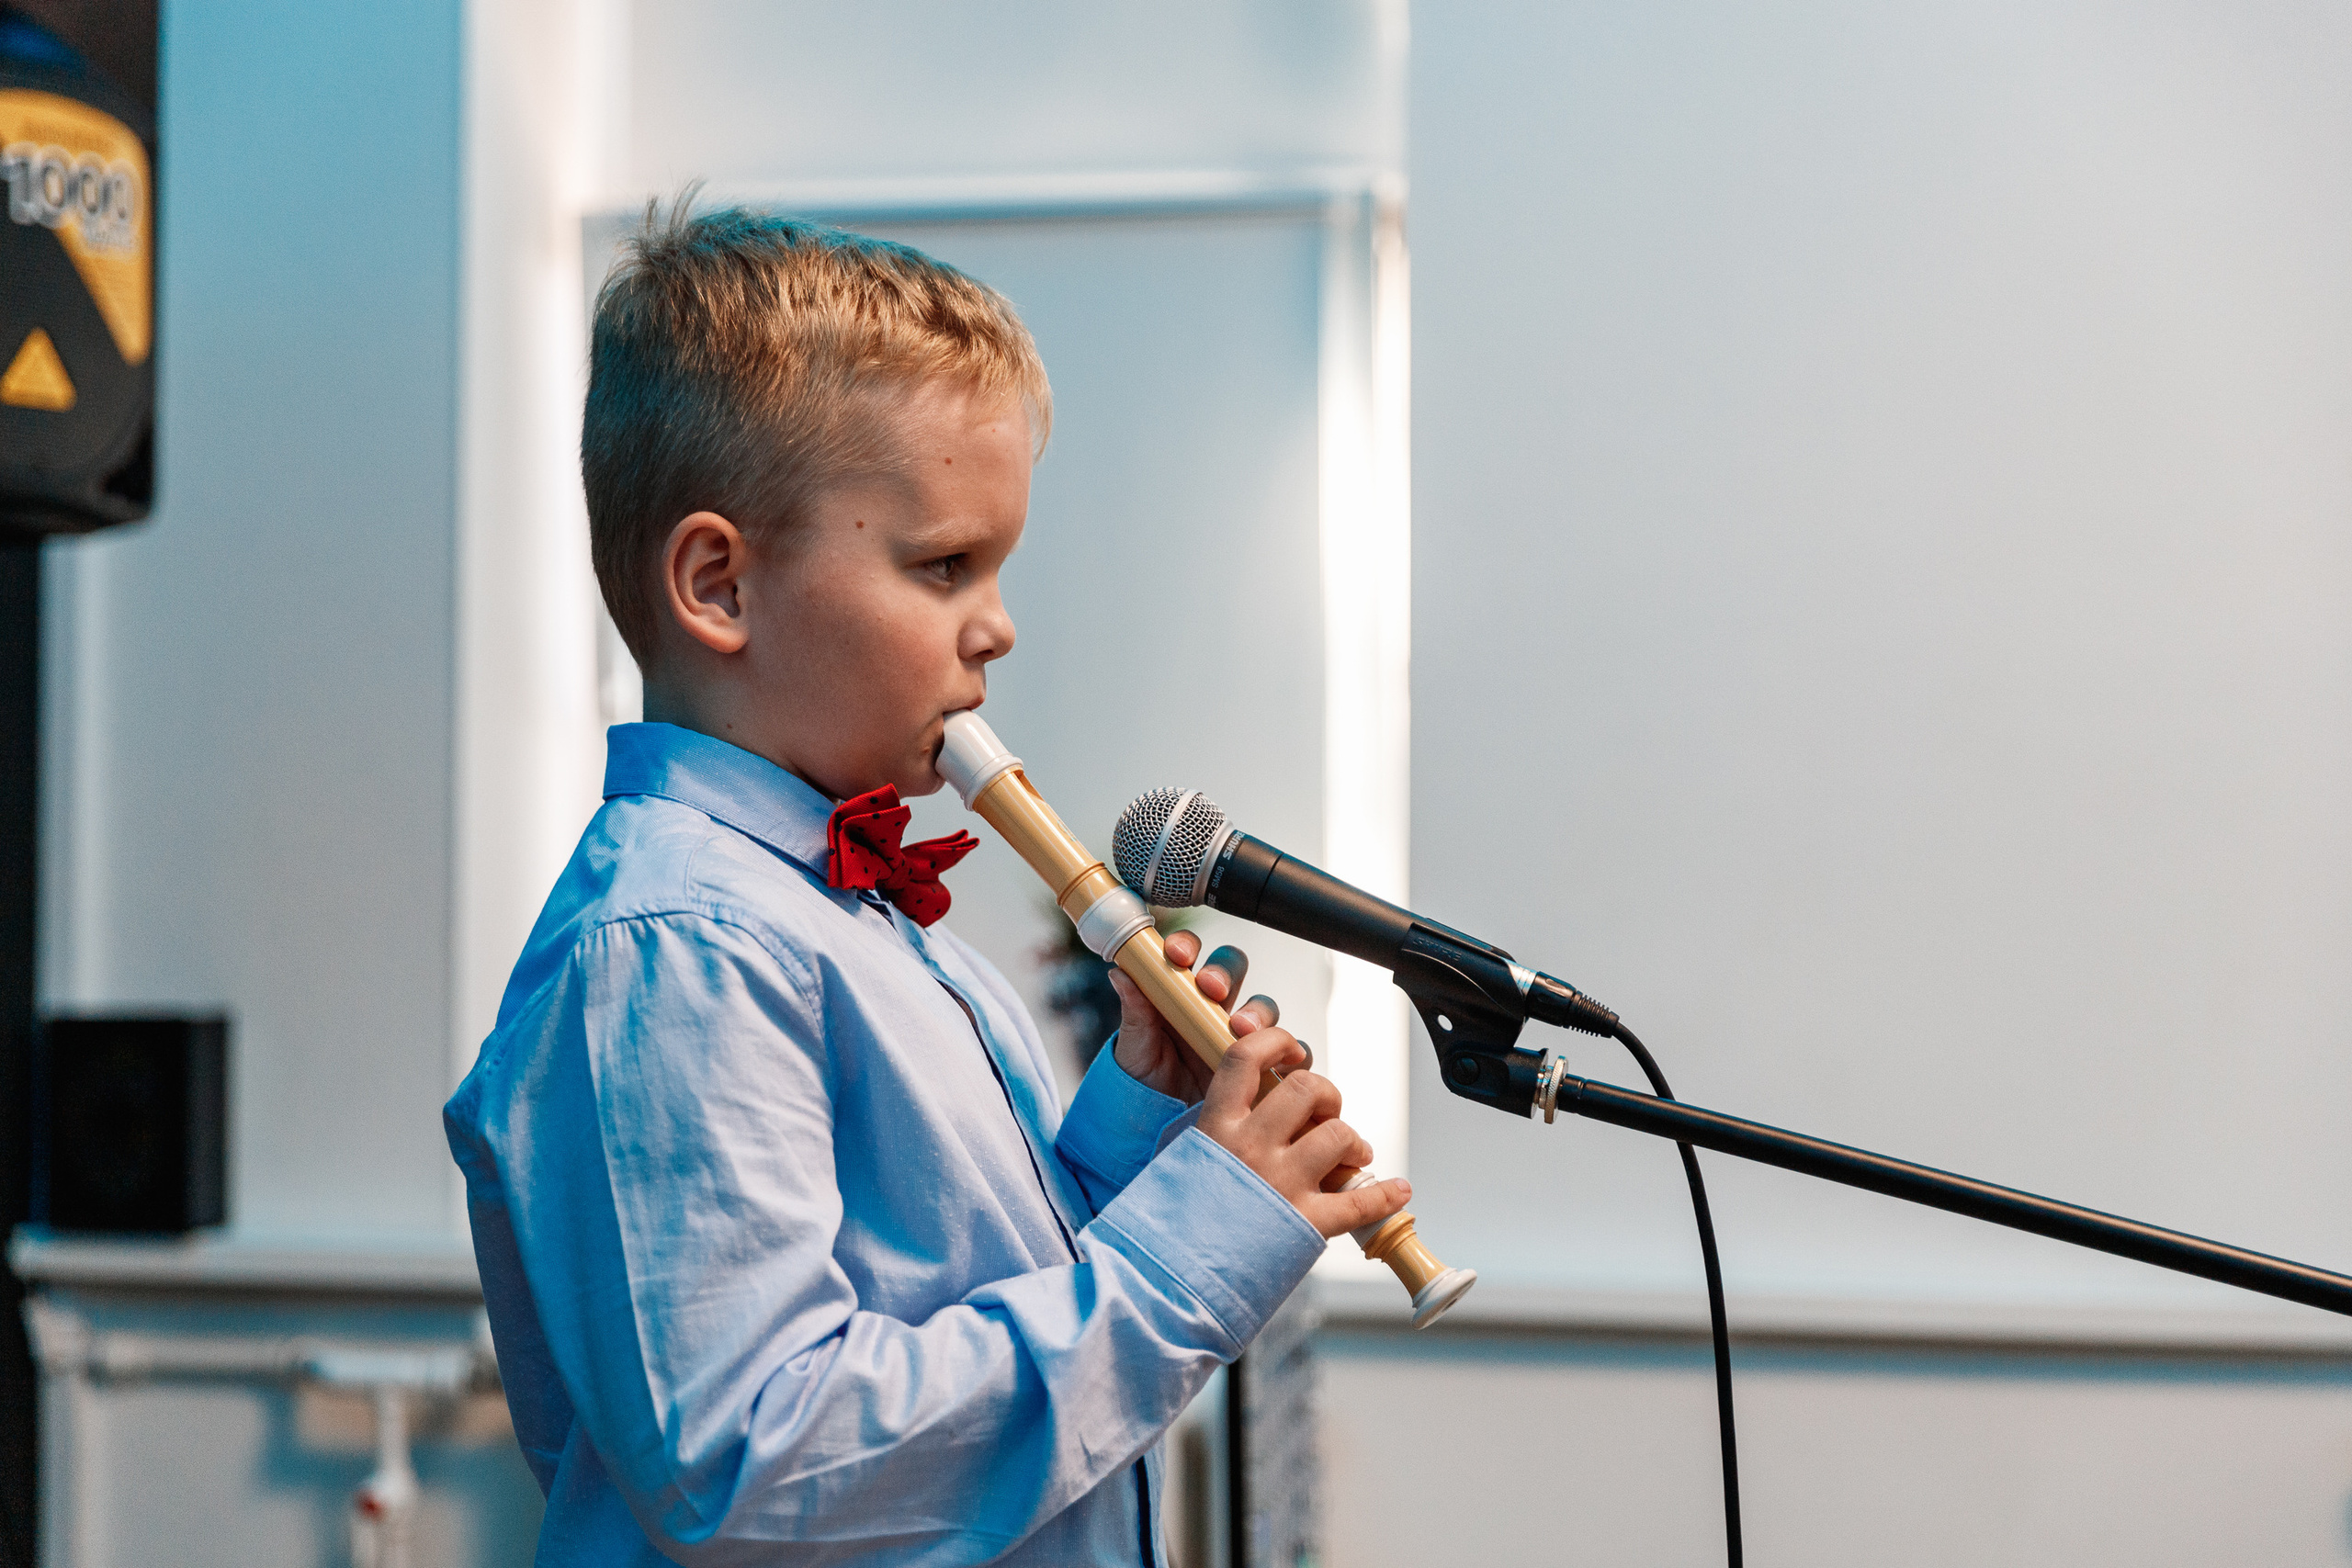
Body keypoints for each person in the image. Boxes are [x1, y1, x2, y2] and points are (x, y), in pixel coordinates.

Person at [443, 203, 1410, 1567]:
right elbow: (756, 1463)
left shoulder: (855, 914)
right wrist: (1189, 1258)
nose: (996, 625)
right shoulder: (677, 947)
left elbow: (972, 1292)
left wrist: (1139, 1127)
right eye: (945, 565)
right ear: (719, 585)